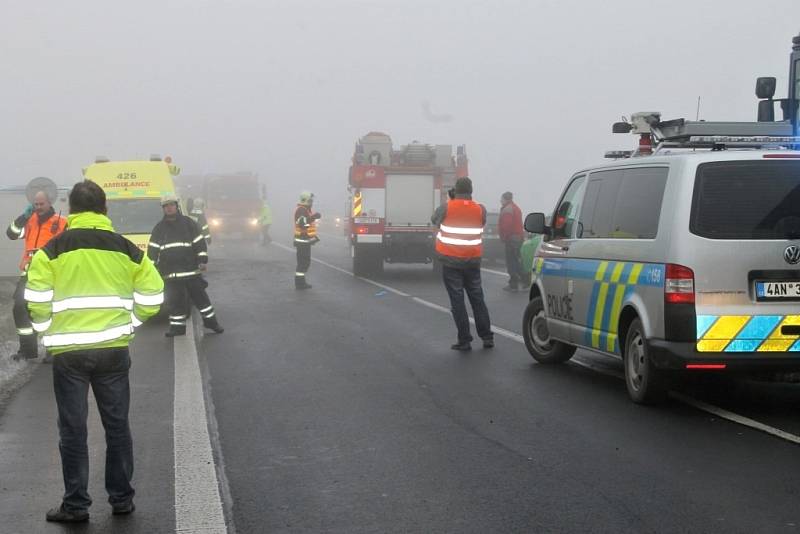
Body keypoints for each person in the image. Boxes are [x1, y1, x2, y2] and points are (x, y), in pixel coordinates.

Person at [25, 180, 164, 522]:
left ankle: (76, 505)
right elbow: (154, 294)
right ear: (105, 210)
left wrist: (47, 332)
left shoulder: (52, 249)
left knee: (73, 430)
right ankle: (121, 498)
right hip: (113, 350)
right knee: (117, 426)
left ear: (70, 210)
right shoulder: (126, 248)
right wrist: (130, 323)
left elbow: (36, 298)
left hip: (70, 353)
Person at [431, 177, 494, 351]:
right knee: (477, 298)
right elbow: (480, 222)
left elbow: (434, 219)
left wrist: (451, 201)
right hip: (472, 261)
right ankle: (487, 336)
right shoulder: (480, 209)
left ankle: (464, 340)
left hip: (451, 262)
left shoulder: (447, 207)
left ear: (455, 190)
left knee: (457, 301)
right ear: (471, 191)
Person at [148, 195, 224, 337]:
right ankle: (177, 329)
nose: (169, 208)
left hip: (191, 271)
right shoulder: (159, 228)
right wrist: (151, 269)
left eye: (171, 205)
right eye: (166, 206)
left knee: (201, 300)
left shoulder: (188, 223)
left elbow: (199, 242)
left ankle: (212, 323)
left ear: (176, 206)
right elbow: (152, 249)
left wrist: (202, 259)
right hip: (170, 274)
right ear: (163, 209)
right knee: (175, 303)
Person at [6, 189, 68, 360]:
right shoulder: (29, 221)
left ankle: (52, 350)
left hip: (52, 275)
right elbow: (11, 233)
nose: (38, 207)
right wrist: (23, 216)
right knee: (20, 308)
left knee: (52, 311)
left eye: (41, 204)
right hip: (29, 273)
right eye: (36, 204)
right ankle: (28, 350)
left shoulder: (62, 223)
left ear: (50, 203)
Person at [498, 191, 525, 292]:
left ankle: (514, 283)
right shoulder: (515, 208)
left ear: (505, 199)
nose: (500, 201)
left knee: (511, 261)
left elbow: (506, 226)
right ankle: (525, 280)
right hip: (518, 238)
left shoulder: (507, 210)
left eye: (501, 199)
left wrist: (504, 237)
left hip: (511, 239)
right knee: (516, 260)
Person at [294, 191, 321, 290]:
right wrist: (314, 217)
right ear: (305, 200)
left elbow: (306, 224)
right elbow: (302, 223)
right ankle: (299, 284)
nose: (312, 202)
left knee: (304, 262)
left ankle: (301, 282)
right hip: (302, 241)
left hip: (305, 241)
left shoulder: (305, 209)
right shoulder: (301, 210)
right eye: (310, 200)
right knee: (303, 263)